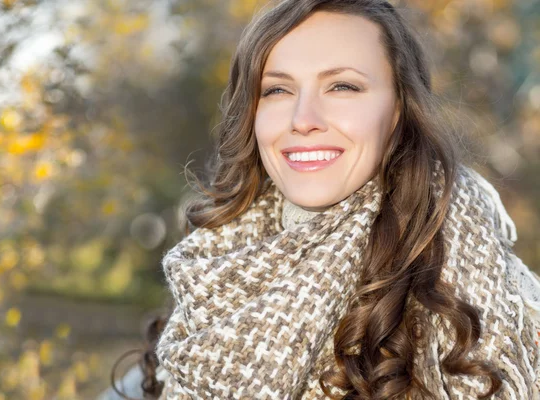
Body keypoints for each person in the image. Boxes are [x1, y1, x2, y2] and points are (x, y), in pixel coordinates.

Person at [109, 0, 540, 398]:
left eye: (342, 87)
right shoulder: (212, 268)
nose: (303, 120)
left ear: (398, 110)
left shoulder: (494, 299)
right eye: (277, 90)